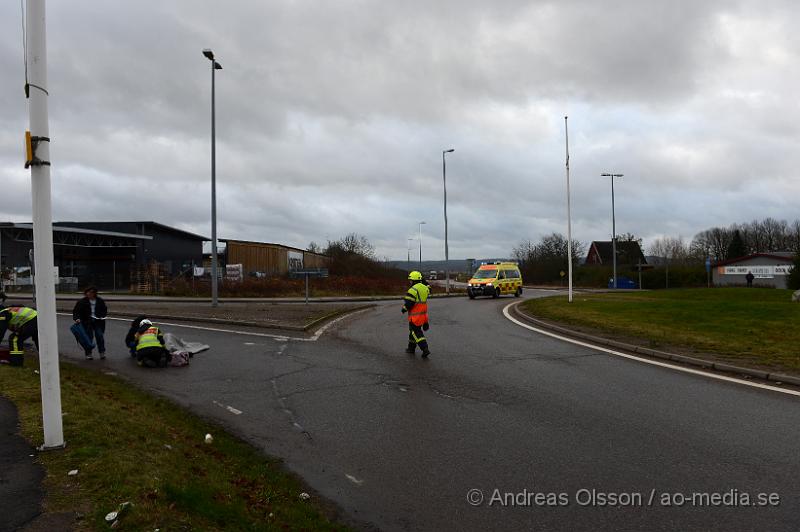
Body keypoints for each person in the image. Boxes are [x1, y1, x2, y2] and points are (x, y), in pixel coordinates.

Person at [72, 286, 108, 360]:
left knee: (100, 336)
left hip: (98, 321)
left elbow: (104, 309)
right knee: (88, 338)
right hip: (87, 322)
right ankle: (88, 353)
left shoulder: (99, 301)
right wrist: (77, 319)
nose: (89, 294)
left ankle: (102, 352)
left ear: (94, 293)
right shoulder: (82, 302)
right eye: (88, 292)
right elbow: (76, 311)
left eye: (91, 292)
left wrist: (102, 316)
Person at [402, 271, 431, 358]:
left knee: (416, 332)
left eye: (410, 280)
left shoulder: (413, 289)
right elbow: (429, 289)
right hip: (423, 315)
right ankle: (411, 348)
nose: (410, 282)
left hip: (415, 316)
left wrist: (404, 309)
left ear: (414, 280)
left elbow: (409, 303)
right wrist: (425, 281)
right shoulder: (425, 288)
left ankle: (425, 349)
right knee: (412, 332)